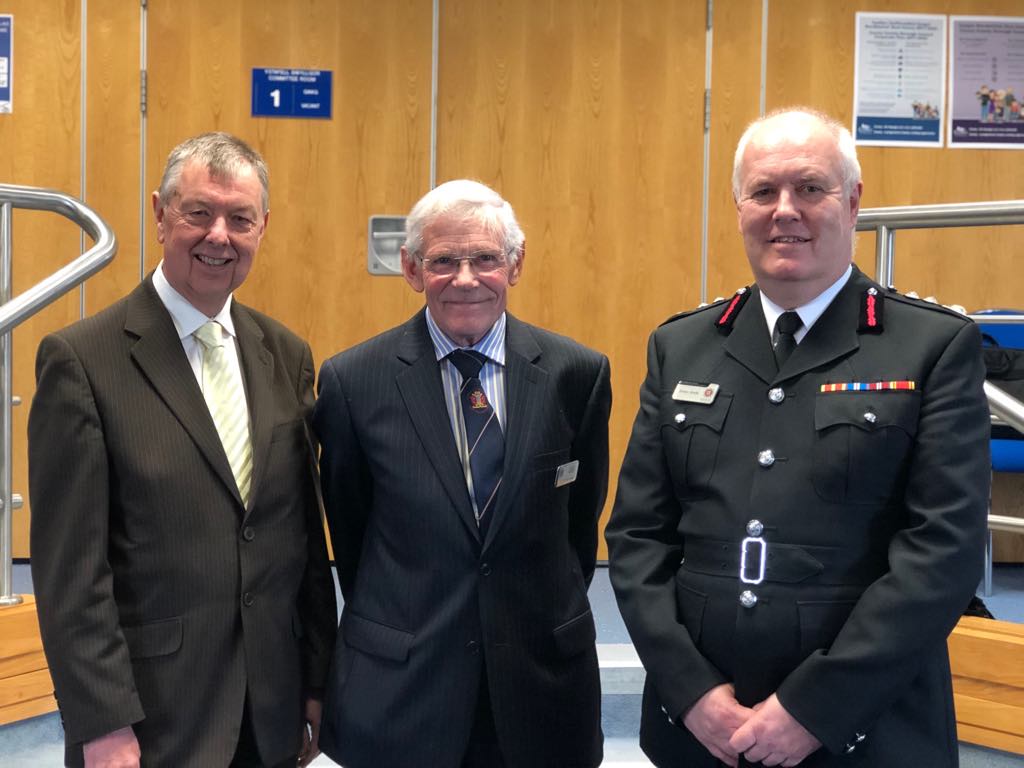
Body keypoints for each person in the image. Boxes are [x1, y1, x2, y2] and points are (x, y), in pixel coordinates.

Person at [606, 108, 990, 767]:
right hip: (703, 731)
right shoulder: (683, 346)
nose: (785, 210)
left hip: (865, 727)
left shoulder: (931, 346)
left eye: (810, 188)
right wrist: (692, 691)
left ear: (854, 201)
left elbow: (943, 553)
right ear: (738, 207)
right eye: (763, 191)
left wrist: (815, 709)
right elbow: (637, 537)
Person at [29, 132, 337, 768]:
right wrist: (103, 723)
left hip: (270, 708)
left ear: (264, 227)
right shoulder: (82, 361)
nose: (218, 235)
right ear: (160, 213)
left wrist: (313, 678)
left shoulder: (285, 353)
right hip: (151, 721)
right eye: (198, 212)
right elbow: (71, 572)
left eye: (239, 218)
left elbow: (298, 536)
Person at [313, 179, 611, 768]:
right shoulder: (353, 382)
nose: (466, 278)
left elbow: (577, 528)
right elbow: (352, 535)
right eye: (444, 260)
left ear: (516, 265)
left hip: (538, 681)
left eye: (486, 259)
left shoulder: (576, 374)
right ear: (411, 268)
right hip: (405, 683)